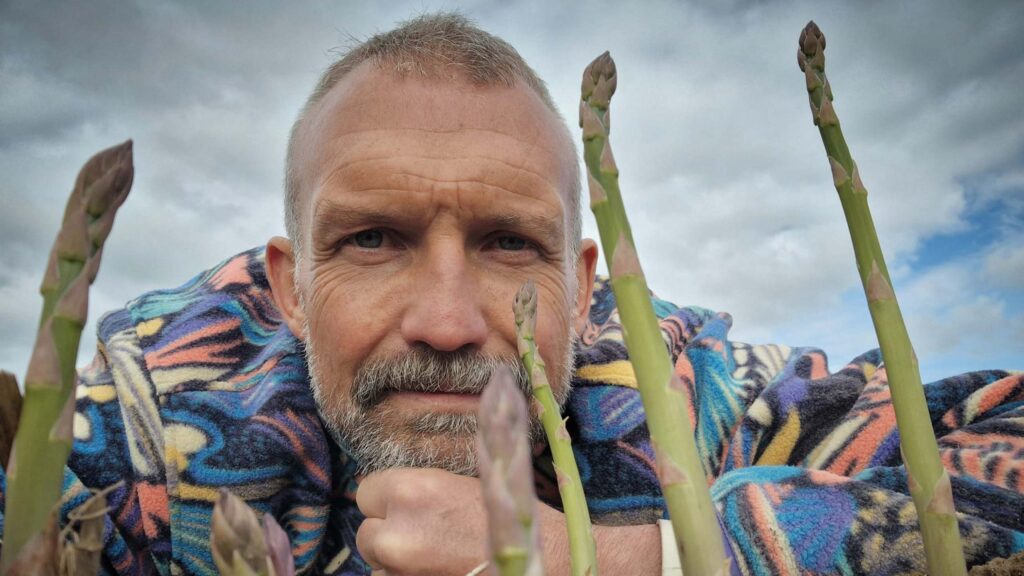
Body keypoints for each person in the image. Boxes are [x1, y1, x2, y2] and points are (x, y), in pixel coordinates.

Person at [2, 12, 1023, 576]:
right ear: (291, 288)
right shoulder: (154, 424)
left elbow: (999, 450)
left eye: (505, 243)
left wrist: (618, 559)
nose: (447, 322)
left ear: (583, 287)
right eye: (371, 240)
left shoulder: (690, 392)